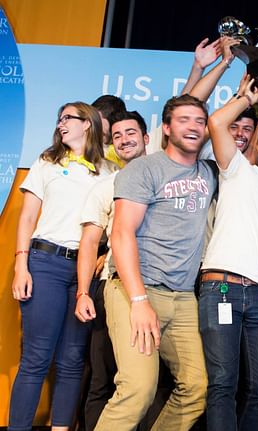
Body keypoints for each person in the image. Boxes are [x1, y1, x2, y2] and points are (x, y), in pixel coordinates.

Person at [94, 95, 217, 430]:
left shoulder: (208, 172)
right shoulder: (144, 169)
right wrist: (138, 300)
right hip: (136, 290)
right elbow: (120, 235)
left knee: (196, 388)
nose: (192, 126)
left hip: (182, 298)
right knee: (137, 389)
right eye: (183, 119)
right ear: (165, 128)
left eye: (199, 121)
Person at [199, 76, 258, 431]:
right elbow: (216, 122)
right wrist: (246, 97)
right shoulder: (237, 169)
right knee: (223, 383)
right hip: (221, 287)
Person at [9, 102, 110, 431]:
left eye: (69, 118)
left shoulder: (110, 171)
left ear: (88, 125)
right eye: (60, 118)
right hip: (46, 263)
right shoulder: (47, 161)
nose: (61, 123)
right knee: (36, 358)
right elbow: (26, 217)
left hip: (84, 272)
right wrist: (21, 265)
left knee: (71, 361)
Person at [73, 110, 149, 429]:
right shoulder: (106, 187)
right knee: (103, 377)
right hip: (113, 289)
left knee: (150, 383)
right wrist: (82, 293)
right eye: (117, 136)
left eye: (130, 133)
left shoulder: (169, 177)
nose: (124, 140)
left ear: (147, 138)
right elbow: (89, 243)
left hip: (160, 290)